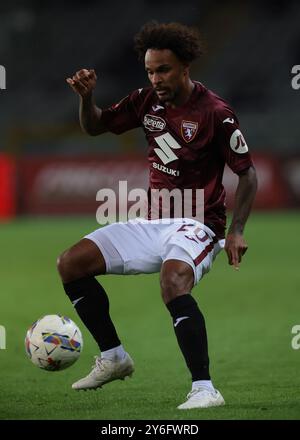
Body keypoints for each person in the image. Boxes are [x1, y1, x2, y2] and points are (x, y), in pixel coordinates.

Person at [58, 21, 257, 410]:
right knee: (70, 263)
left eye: (163, 70)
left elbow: (247, 173)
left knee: (172, 282)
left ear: (185, 67)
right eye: (150, 71)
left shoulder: (216, 112)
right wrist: (86, 97)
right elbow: (96, 126)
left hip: (200, 225)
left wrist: (237, 231)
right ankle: (114, 357)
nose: (156, 79)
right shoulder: (145, 101)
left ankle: (204, 389)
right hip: (152, 222)